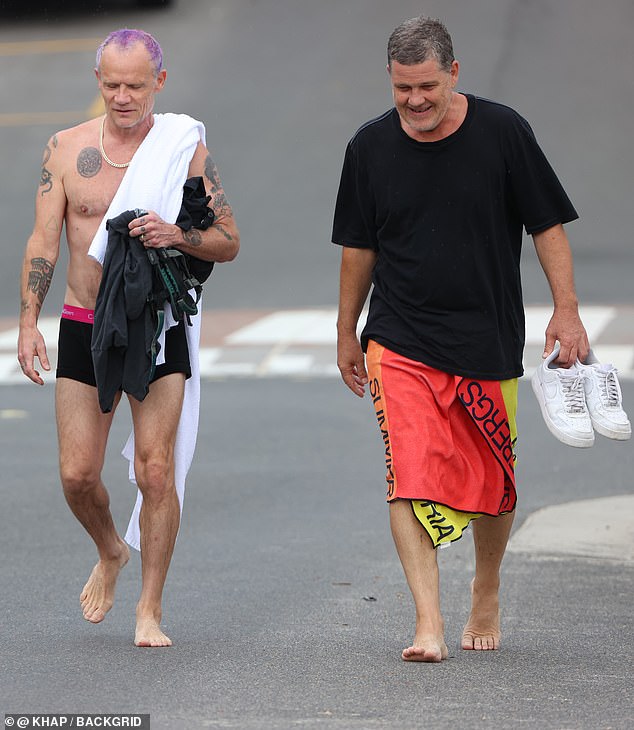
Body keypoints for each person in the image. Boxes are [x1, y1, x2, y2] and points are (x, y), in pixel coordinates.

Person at [332, 16, 589, 662]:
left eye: (426, 86)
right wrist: (346, 330)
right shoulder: (369, 149)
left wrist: (568, 311)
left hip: (487, 336)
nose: (415, 101)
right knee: (409, 477)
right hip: (399, 337)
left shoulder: (504, 134)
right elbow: (358, 250)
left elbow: (547, 224)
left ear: (454, 72)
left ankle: (487, 585)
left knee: (494, 484)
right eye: (401, 90)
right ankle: (427, 622)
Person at [18, 29, 239, 647]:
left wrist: (176, 235)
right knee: (76, 475)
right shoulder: (64, 149)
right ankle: (111, 549)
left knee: (156, 471)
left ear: (159, 84)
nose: (122, 97)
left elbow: (229, 240)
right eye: (111, 84)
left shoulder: (183, 148)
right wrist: (29, 319)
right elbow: (43, 241)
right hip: (84, 322)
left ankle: (149, 610)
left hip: (156, 323)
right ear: (98, 82)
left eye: (135, 86)